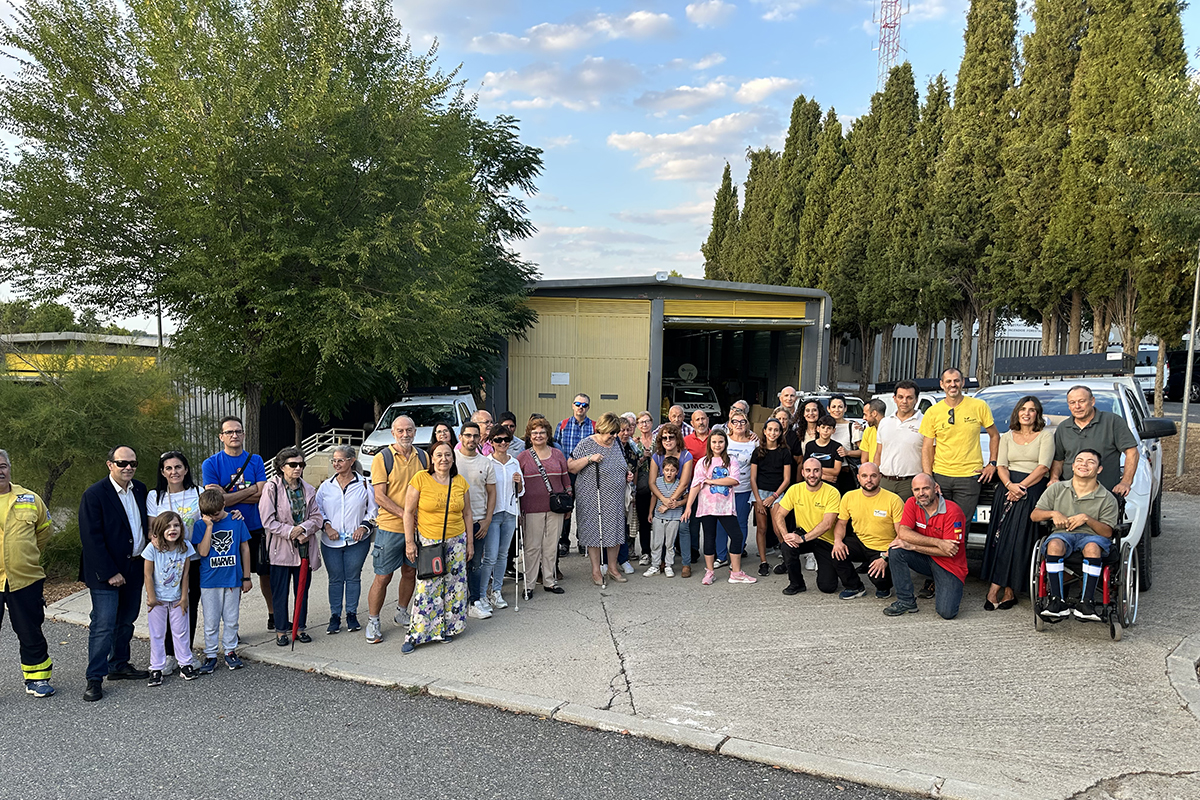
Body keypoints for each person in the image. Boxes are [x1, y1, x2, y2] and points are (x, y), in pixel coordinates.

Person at [79, 445, 150, 701]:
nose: (128, 467)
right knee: (103, 624)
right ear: (110, 465)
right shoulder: (95, 495)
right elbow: (91, 538)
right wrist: (110, 572)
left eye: (132, 463)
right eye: (122, 463)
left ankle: (119, 664)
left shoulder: (141, 490)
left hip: (135, 566)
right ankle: (94, 678)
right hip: (105, 572)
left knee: (126, 620)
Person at [980, 396, 1054, 610]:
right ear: (1017, 413)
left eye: (1032, 410)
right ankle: (1000, 589)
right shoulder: (1007, 436)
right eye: (1023, 409)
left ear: (1037, 414)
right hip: (1007, 487)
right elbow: (1001, 465)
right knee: (1000, 537)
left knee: (1017, 539)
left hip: (1032, 488)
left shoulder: (1045, 437)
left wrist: (1021, 487)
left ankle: (1003, 589)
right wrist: (1010, 485)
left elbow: (1043, 468)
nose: (1027, 413)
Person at [1031, 449, 1119, 622]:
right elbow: (1035, 515)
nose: (1084, 464)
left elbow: (1108, 532)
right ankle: (1057, 601)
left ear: (1099, 469)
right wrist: (1053, 514)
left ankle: (1087, 603)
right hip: (1063, 535)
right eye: (1079, 460)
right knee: (1054, 545)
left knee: (1092, 547)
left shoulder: (1107, 498)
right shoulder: (1057, 488)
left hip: (1093, 537)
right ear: (1072, 466)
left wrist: (1087, 519)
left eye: (1090, 462)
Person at [402, 442, 473, 652]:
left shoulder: (460, 482)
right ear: (432, 458)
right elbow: (408, 512)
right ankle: (417, 633)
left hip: (457, 540)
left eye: (448, 455)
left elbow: (467, 513)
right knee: (428, 587)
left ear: (453, 458)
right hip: (430, 541)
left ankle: (447, 629)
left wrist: (469, 543)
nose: (444, 459)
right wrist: (409, 542)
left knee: (454, 586)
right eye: (439, 455)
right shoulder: (421, 479)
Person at [201, 417, 271, 625]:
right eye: (229, 432)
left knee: (265, 574)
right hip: (227, 529)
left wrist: (228, 495)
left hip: (256, 525)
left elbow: (262, 495)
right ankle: (233, 625)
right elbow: (215, 501)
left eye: (238, 431)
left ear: (244, 434)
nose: (234, 435)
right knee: (234, 578)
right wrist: (251, 490)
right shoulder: (211, 463)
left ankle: (273, 616)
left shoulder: (255, 460)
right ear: (221, 436)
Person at [366, 415, 426, 644]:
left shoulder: (423, 456)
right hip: (390, 528)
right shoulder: (383, 458)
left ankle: (402, 611)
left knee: (410, 572)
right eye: (400, 430)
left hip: (417, 529)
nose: (405, 434)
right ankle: (373, 621)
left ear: (415, 431)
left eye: (409, 430)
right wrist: (406, 515)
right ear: (393, 433)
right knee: (383, 576)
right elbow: (379, 496)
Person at [0, 450, 55, 698]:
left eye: (2, 466)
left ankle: (37, 679)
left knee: (30, 630)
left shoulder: (29, 498)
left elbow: (44, 530)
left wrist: (27, 554)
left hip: (26, 578)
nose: (0, 471)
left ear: (9, 468)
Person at [259, 446, 323, 647]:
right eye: (293, 465)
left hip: (304, 548)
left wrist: (303, 529)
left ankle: (300, 627)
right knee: (280, 591)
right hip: (280, 549)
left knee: (302, 590)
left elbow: (317, 517)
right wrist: (290, 532)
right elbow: (267, 520)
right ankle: (281, 630)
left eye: (301, 464)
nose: (298, 468)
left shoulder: (308, 489)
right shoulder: (271, 488)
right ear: (281, 466)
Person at [883, 473, 968, 619]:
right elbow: (903, 532)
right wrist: (938, 542)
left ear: (936, 488)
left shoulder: (952, 511)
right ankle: (906, 601)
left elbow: (949, 552)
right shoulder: (911, 503)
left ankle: (940, 582)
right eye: (916, 490)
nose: (921, 494)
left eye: (925, 488)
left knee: (947, 613)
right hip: (926, 558)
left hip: (949, 565)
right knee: (896, 550)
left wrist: (913, 546)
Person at [920, 368, 1000, 522]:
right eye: (948, 381)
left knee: (961, 524)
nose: (953, 384)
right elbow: (926, 448)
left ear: (963, 383)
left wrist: (992, 463)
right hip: (941, 476)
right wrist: (928, 477)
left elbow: (995, 435)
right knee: (938, 522)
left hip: (969, 477)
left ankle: (960, 547)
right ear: (942, 384)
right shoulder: (933, 412)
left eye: (956, 380)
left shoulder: (979, 406)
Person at [148, 451, 203, 668]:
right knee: (165, 607)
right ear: (162, 472)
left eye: (178, 467)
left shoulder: (198, 492)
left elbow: (213, 515)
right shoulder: (155, 497)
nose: (174, 472)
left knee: (186, 605)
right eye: (168, 468)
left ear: (186, 469)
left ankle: (184, 653)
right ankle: (168, 656)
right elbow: (152, 530)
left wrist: (234, 515)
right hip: (165, 563)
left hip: (193, 559)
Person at [682, 428, 756, 585]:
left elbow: (734, 480)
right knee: (709, 538)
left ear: (725, 443)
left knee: (737, 536)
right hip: (707, 507)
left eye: (721, 442)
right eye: (714, 442)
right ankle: (709, 572)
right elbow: (695, 485)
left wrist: (710, 481)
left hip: (725, 507)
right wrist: (689, 507)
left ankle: (736, 573)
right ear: (710, 443)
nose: (717, 445)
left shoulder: (731, 461)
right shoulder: (703, 462)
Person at [315, 445, 376, 635]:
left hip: (357, 541)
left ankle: (351, 613)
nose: (336, 464)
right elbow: (317, 510)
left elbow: (373, 510)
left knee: (352, 577)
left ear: (351, 461)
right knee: (335, 579)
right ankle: (334, 616)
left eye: (340, 460)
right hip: (330, 541)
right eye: (334, 460)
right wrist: (327, 526)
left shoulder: (365, 484)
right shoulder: (326, 486)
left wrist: (364, 526)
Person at [191, 488, 252, 674]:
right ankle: (210, 654)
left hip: (232, 579)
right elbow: (202, 552)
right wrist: (209, 526)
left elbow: (245, 549)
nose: (215, 518)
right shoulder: (201, 525)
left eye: (216, 514)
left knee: (231, 619)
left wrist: (247, 577)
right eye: (209, 515)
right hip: (210, 581)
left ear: (224, 505)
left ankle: (230, 650)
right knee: (211, 620)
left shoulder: (236, 521)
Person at [568, 413, 630, 586]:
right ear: (601, 429)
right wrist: (589, 459)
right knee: (594, 531)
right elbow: (571, 466)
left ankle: (612, 568)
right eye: (610, 433)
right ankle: (596, 570)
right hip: (592, 496)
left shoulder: (616, 443)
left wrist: (627, 475)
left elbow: (621, 465)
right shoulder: (587, 443)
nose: (613, 436)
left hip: (615, 497)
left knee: (615, 531)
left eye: (615, 433)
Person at [832, 462, 904, 600]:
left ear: (880, 477)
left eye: (873, 476)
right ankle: (854, 587)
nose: (869, 480)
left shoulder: (893, 500)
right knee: (837, 552)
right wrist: (837, 541)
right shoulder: (849, 496)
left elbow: (902, 534)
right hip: (860, 541)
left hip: (884, 547)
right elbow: (841, 523)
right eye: (864, 476)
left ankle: (884, 587)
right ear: (858, 477)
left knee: (878, 579)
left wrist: (885, 556)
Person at [1049, 386, 1138, 496]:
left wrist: (1125, 482)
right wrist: (1054, 478)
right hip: (1070, 495)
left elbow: (1132, 452)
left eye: (1082, 401)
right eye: (1072, 402)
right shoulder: (1063, 427)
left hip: (1105, 494)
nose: (1077, 406)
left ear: (1092, 401)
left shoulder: (1112, 422)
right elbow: (1058, 459)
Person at [141, 512, 197, 685]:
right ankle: (156, 668)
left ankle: (185, 663)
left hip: (177, 600)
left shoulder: (185, 547)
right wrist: (151, 597)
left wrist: (184, 597)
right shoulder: (153, 548)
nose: (173, 529)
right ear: (160, 529)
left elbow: (186, 574)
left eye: (176, 525)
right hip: (157, 600)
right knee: (157, 633)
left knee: (181, 632)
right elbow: (147, 574)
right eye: (168, 526)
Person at [771, 458, 842, 596]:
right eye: (808, 470)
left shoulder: (832, 492)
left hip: (826, 540)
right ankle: (796, 584)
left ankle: (825, 568)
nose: (812, 474)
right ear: (802, 473)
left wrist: (802, 538)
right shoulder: (795, 489)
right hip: (803, 535)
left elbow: (827, 524)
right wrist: (786, 536)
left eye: (816, 470)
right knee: (787, 546)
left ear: (821, 472)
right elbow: (779, 515)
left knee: (828, 587)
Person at [517, 417, 570, 595]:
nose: (538, 435)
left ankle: (549, 581)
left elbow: (566, 480)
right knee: (532, 548)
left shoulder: (558, 454)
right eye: (534, 433)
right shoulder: (522, 457)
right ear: (529, 436)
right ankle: (529, 584)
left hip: (556, 507)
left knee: (551, 545)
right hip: (531, 508)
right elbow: (517, 487)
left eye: (542, 432)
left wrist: (569, 504)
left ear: (548, 435)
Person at [457, 421, 497, 619]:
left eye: (475, 436)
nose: (471, 439)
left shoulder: (486, 463)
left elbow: (491, 493)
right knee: (455, 563)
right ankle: (456, 601)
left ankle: (474, 601)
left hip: (478, 521)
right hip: (454, 522)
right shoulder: (451, 459)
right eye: (468, 435)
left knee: (475, 563)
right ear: (460, 437)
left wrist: (488, 519)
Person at [481, 427, 523, 609]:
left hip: (510, 512)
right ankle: (482, 593)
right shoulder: (486, 463)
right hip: (493, 513)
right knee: (490, 556)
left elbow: (521, 491)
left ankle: (496, 591)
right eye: (498, 440)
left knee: (503, 554)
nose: (503, 443)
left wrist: (519, 483)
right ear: (491, 442)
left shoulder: (514, 463)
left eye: (506, 439)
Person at [648, 424, 695, 575]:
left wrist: (670, 502)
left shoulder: (686, 456)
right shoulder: (657, 456)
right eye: (664, 438)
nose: (668, 441)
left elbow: (684, 483)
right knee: (661, 529)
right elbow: (652, 482)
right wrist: (663, 500)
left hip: (681, 497)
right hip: (662, 496)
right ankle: (661, 560)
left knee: (683, 527)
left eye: (671, 437)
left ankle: (686, 563)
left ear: (677, 439)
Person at [751, 418, 791, 576]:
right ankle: (763, 562)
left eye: (776, 430)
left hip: (777, 493)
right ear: (765, 431)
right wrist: (759, 500)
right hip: (760, 493)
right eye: (770, 430)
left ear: (780, 433)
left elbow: (787, 479)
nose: (773, 433)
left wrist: (774, 497)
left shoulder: (784, 452)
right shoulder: (758, 451)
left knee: (778, 528)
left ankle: (787, 560)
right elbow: (752, 478)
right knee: (762, 528)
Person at [557, 394, 595, 556]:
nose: (581, 407)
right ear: (572, 405)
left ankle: (583, 541)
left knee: (585, 509)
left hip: (587, 474)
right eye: (578, 404)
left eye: (584, 405)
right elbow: (556, 450)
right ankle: (564, 542)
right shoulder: (563, 425)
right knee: (566, 507)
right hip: (567, 474)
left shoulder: (594, 426)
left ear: (588, 408)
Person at [876, 380, 924, 501]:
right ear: (894, 398)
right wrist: (875, 476)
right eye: (900, 397)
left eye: (909, 398)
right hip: (885, 481)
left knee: (907, 519)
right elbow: (879, 452)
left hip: (911, 483)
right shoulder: (885, 422)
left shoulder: (925, 422)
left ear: (916, 400)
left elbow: (930, 453)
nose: (904, 401)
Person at [724, 408, 757, 566]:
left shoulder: (754, 442)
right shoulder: (724, 439)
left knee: (741, 522)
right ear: (729, 424)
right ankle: (721, 556)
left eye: (742, 422)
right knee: (722, 522)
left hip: (744, 488)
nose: (739, 424)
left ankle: (736, 552)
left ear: (747, 424)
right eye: (735, 422)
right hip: (724, 489)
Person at [645, 456, 683, 577]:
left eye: (672, 470)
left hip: (674, 517)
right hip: (659, 516)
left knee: (670, 543)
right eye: (667, 470)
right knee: (657, 542)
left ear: (677, 471)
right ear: (662, 470)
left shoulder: (679, 484)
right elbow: (654, 497)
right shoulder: (658, 482)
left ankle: (668, 565)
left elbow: (686, 497)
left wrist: (678, 503)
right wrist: (650, 512)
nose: (669, 473)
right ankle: (655, 565)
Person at [632, 411, 656, 565]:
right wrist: (643, 458)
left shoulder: (659, 440)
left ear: (652, 423)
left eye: (647, 421)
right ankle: (645, 552)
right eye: (641, 422)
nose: (644, 425)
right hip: (641, 487)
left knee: (660, 520)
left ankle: (662, 552)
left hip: (658, 487)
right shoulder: (634, 443)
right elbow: (632, 465)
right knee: (643, 521)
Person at [803, 415, 843, 488]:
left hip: (831, 486)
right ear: (818, 429)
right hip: (813, 484)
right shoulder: (810, 446)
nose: (825, 430)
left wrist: (815, 470)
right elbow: (805, 468)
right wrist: (824, 477)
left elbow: (836, 471)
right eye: (823, 427)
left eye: (829, 428)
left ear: (833, 431)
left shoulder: (837, 447)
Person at [858, 398, 885, 466]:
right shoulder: (868, 431)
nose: (864, 418)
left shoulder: (890, 429)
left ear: (874, 413)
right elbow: (864, 459)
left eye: (865, 414)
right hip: (872, 472)